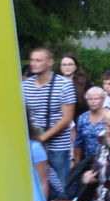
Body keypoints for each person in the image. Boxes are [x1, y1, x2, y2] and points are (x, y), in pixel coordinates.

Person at [23, 47, 77, 182]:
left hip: (58, 147)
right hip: (34, 144)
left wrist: (43, 137)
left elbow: (67, 118)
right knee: (36, 183)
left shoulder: (64, 85)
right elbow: (23, 115)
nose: (33, 63)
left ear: (50, 62)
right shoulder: (25, 86)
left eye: (38, 60)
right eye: (32, 60)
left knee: (62, 185)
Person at [73, 86, 107, 163]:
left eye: (96, 99)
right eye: (90, 99)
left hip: (107, 160)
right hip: (88, 161)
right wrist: (77, 164)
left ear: (103, 99)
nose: (93, 101)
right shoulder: (82, 118)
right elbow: (78, 143)